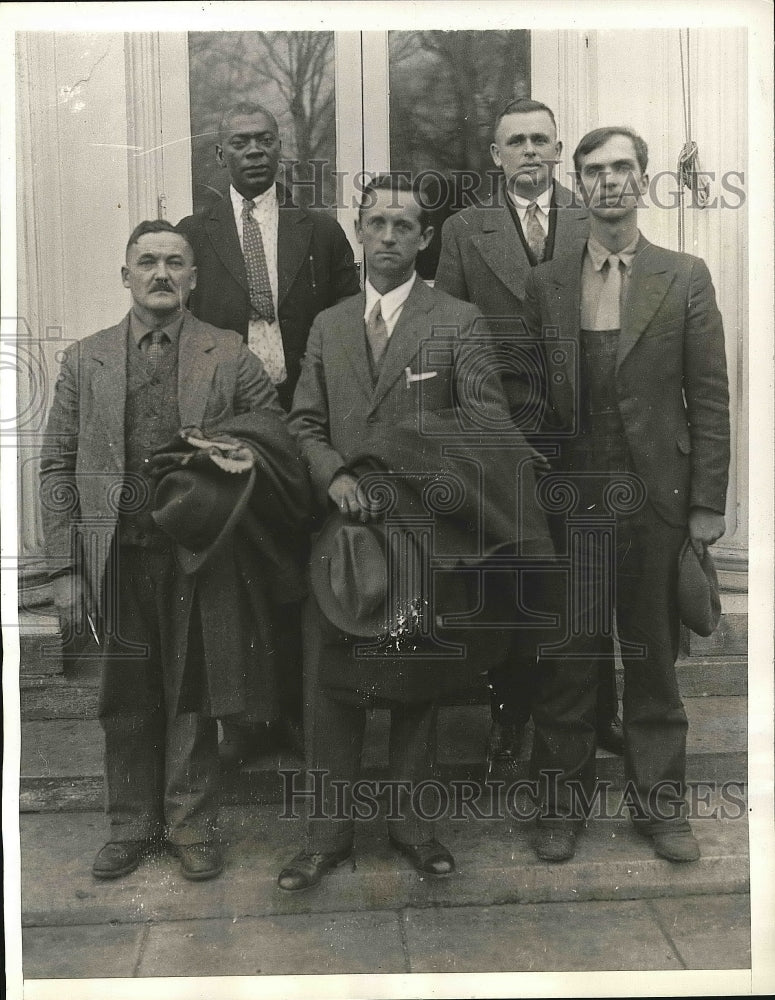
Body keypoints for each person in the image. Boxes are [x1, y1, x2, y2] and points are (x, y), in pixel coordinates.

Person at [277, 174, 550, 890]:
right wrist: (334, 473)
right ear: (359, 233)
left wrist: (420, 476)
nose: (389, 237)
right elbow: (303, 421)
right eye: (377, 224)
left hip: (423, 535)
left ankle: (413, 827)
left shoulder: (456, 320)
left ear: (424, 239)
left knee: (416, 684)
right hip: (341, 533)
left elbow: (487, 429)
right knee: (328, 687)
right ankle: (324, 836)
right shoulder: (330, 325)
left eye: (404, 225)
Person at [39, 220, 296, 882]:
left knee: (191, 689)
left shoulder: (228, 353)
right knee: (124, 694)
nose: (161, 273)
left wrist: (241, 450)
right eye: (146, 262)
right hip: (117, 553)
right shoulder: (85, 359)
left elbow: (275, 436)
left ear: (193, 277)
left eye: (174, 262)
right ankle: (129, 823)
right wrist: (65, 567)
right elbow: (57, 464)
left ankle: (189, 824)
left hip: (198, 554)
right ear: (125, 275)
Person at [523, 127, 730, 863]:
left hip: (654, 502)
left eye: (621, 168)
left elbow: (708, 397)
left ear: (641, 180)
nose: (609, 181)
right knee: (569, 661)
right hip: (571, 501)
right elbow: (530, 401)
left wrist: (705, 504)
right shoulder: (547, 282)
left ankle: (661, 809)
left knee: (650, 662)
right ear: (577, 184)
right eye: (593, 171)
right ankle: (560, 807)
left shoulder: (683, 274)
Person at [435, 98, 623, 767]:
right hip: (503, 432)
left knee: (587, 572)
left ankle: (598, 711)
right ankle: (507, 717)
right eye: (515, 141)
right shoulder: (464, 229)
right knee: (514, 580)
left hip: (585, 430)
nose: (529, 151)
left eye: (541, 140)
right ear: (495, 155)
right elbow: (448, 332)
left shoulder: (592, 216)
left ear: (557, 147)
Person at [177, 102, 360, 764]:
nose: (254, 151)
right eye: (239, 142)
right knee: (244, 565)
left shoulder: (320, 231)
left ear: (281, 150)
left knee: (307, 560)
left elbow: (350, 321)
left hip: (309, 416)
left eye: (264, 141)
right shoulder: (192, 235)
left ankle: (304, 712)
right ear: (218, 156)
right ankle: (247, 718)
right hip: (232, 422)